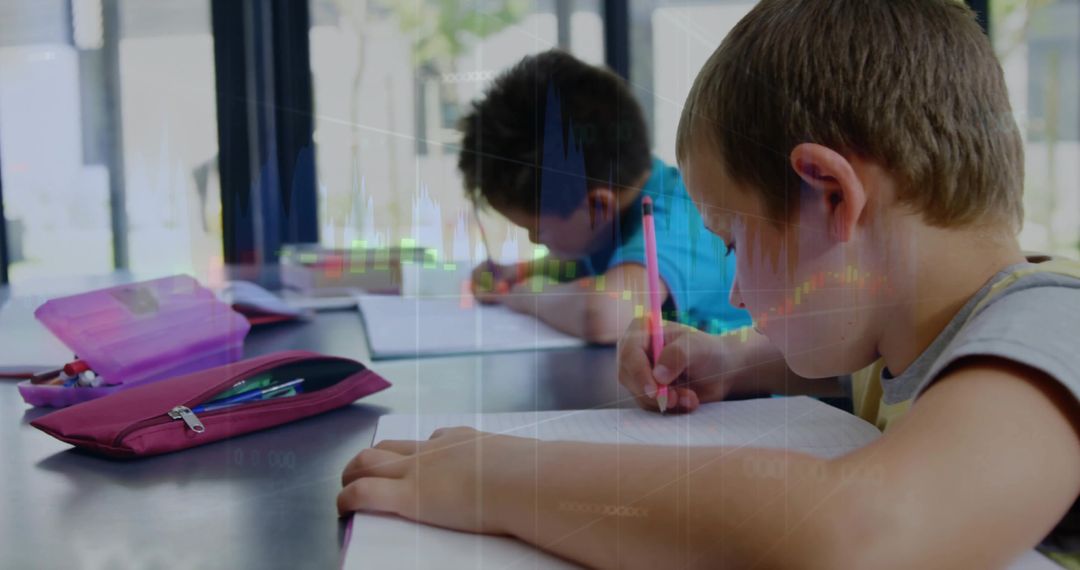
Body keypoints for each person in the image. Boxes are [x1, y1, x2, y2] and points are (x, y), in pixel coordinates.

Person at [339, 1, 1080, 566]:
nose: (731, 294)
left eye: (731, 243)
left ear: (829, 196)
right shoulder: (927, 328)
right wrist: (731, 358)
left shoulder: (1052, 329)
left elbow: (867, 534)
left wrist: (506, 480)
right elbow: (863, 364)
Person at [457, 49, 750, 344]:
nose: (535, 241)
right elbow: (582, 261)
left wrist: (521, 294)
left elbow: (602, 315)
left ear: (598, 205)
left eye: (538, 230)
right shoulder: (615, 216)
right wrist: (517, 271)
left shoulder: (677, 219)